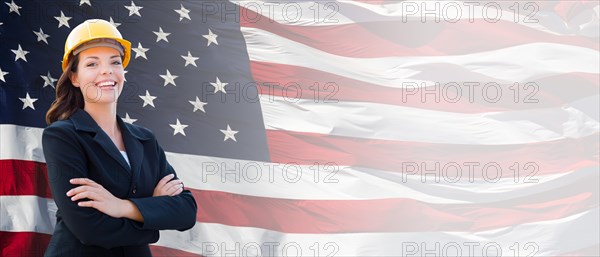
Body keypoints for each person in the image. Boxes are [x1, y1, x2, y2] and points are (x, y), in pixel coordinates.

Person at [42, 19, 197, 257]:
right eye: (92, 63)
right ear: (74, 77)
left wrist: (122, 207)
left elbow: (186, 211)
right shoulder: (62, 136)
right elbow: (89, 228)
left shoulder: (145, 140)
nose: (107, 71)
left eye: (115, 62)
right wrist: (152, 218)